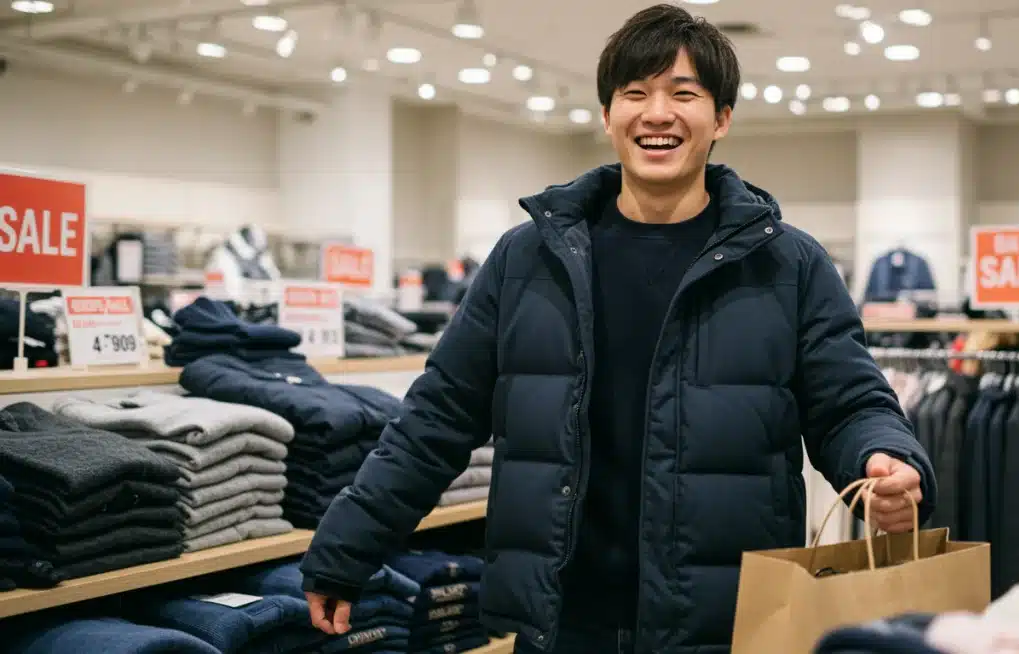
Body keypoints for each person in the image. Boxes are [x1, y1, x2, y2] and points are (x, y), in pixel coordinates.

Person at [299, 4, 937, 653]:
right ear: (607, 117)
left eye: (683, 93)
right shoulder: (527, 261)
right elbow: (436, 419)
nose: (656, 113)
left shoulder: (788, 265)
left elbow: (850, 403)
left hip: (727, 621)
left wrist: (885, 457)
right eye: (635, 93)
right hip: (563, 622)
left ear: (721, 118)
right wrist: (346, 548)